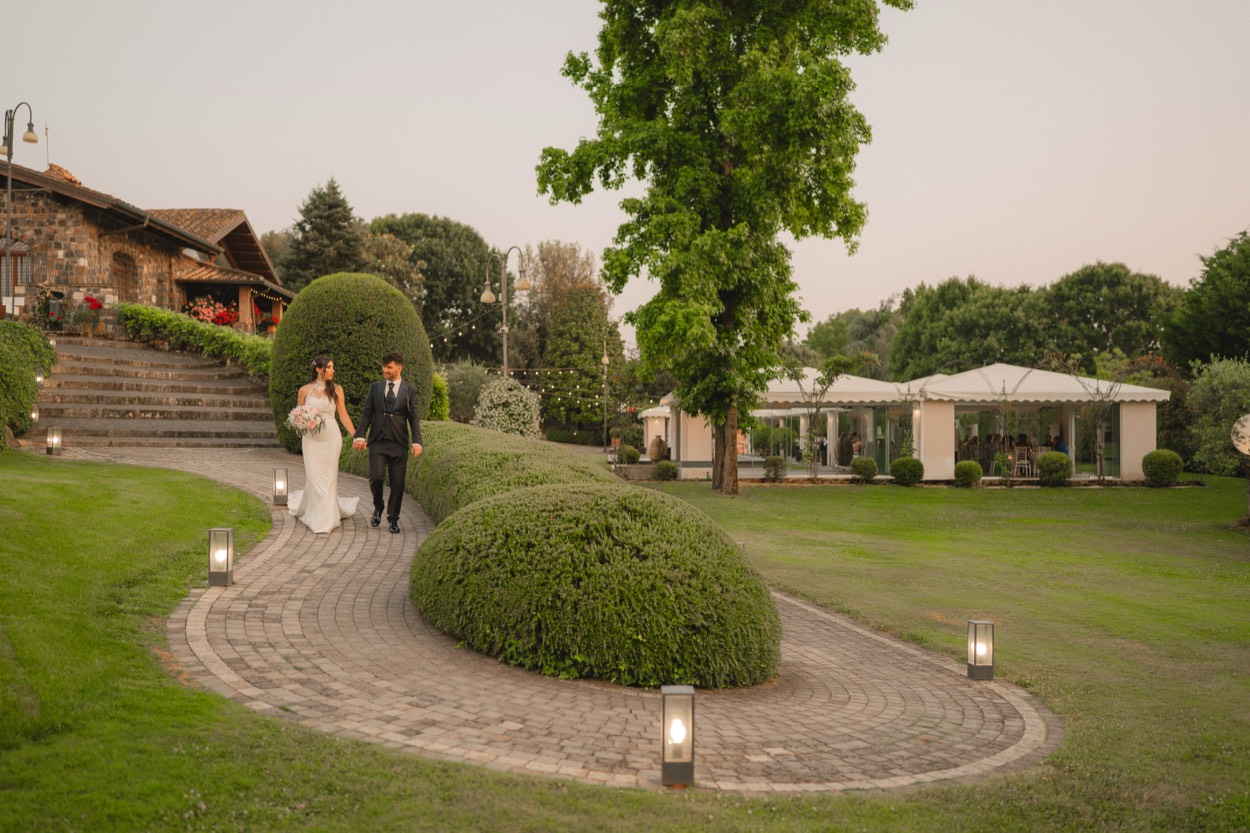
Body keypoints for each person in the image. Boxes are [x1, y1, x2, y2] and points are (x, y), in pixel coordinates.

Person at [352, 352, 423, 534]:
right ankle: (378, 506)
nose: (385, 370)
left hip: (399, 443)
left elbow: (414, 419)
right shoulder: (375, 388)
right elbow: (367, 413)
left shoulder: (409, 391)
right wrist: (360, 435)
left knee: (397, 483)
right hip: (377, 441)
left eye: (389, 367)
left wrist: (417, 441)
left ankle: (393, 518)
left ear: (399, 368)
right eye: (384, 366)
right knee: (375, 477)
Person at [289, 355, 359, 534]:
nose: (333, 371)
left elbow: (343, 415)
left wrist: (356, 436)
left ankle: (326, 519)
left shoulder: (337, 389)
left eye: (333, 367)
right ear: (319, 369)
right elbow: (298, 414)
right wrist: (302, 422)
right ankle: (315, 512)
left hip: (331, 438)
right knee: (313, 477)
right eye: (329, 367)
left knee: (328, 478)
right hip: (311, 439)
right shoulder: (304, 390)